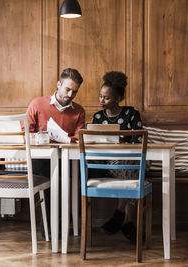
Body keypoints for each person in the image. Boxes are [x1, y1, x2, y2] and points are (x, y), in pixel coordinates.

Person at [26, 68, 85, 237]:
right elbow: (26, 133)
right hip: (42, 158)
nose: (71, 94)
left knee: (79, 176)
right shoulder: (37, 104)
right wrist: (43, 138)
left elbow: (78, 137)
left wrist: (65, 139)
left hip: (68, 159)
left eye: (75, 91)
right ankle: (50, 227)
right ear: (58, 84)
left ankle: (66, 223)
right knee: (47, 177)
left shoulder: (78, 110)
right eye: (68, 89)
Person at [91, 71, 143, 243]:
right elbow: (93, 143)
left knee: (131, 164)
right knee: (133, 172)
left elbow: (138, 142)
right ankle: (127, 220)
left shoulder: (131, 113)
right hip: (106, 162)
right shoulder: (98, 117)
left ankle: (121, 213)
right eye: (100, 96)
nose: (102, 101)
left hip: (131, 160)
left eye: (106, 98)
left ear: (118, 98)